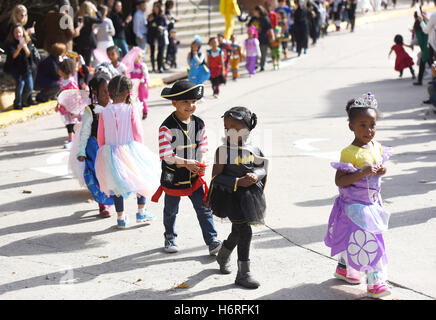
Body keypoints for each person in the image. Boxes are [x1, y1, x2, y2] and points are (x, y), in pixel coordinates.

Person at [324, 93, 392, 299]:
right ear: (351, 126)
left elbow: (379, 169)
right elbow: (340, 180)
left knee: (352, 238)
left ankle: (345, 268)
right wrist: (362, 172)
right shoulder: (349, 152)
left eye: (372, 125)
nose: (369, 130)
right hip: (355, 205)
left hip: (372, 202)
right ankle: (374, 280)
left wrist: (381, 171)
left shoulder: (376, 146)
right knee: (369, 240)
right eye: (362, 125)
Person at [151, 80, 222, 255]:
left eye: (193, 102)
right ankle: (170, 236)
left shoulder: (199, 124)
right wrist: (187, 163)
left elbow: (203, 147)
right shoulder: (166, 127)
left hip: (194, 176)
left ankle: (212, 241)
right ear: (174, 103)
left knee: (204, 209)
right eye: (185, 102)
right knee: (170, 210)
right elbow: (166, 156)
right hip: (173, 177)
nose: (190, 106)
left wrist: (201, 161)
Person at [208, 106, 268, 289]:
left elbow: (263, 167)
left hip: (249, 198)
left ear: (248, 129)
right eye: (226, 128)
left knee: (238, 231)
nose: (229, 132)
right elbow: (216, 177)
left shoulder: (254, 148)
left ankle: (224, 254)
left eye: (235, 128)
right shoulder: (223, 151)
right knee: (245, 231)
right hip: (230, 197)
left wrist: (256, 175)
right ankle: (244, 273)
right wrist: (237, 181)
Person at [95, 75, 159, 229]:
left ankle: (121, 218)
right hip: (131, 148)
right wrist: (140, 149)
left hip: (110, 151)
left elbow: (100, 136)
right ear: (127, 93)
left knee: (117, 184)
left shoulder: (104, 112)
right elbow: (138, 132)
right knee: (140, 177)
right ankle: (141, 212)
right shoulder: (131, 109)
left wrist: (104, 150)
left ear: (109, 92)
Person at [74, 74, 114, 218]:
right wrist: (81, 151)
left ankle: (111, 199)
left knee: (110, 174)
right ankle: (102, 205)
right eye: (104, 91)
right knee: (98, 176)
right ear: (95, 92)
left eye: (109, 90)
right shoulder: (90, 110)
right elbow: (84, 132)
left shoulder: (113, 107)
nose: (107, 94)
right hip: (94, 148)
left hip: (110, 147)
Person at [3, 24, 38, 110]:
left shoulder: (27, 41)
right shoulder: (10, 43)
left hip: (26, 67)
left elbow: (30, 55)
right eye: (16, 32)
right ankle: (17, 103)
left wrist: (25, 47)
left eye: (19, 32)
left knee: (30, 87)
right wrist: (19, 48)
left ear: (23, 32)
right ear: (12, 34)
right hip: (15, 68)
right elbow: (13, 56)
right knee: (20, 84)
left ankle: (24, 100)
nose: (18, 34)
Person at [55, 58, 81, 149]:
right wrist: (58, 103)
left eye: (59, 69)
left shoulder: (71, 82)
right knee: (68, 123)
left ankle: (72, 140)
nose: (58, 71)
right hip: (64, 106)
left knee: (71, 123)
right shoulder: (62, 81)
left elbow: (75, 94)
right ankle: (72, 138)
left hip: (70, 107)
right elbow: (61, 93)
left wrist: (73, 107)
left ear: (65, 70)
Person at [73, 1, 104, 66]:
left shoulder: (76, 17)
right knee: (87, 63)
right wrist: (96, 10)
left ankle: (80, 75)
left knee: (79, 62)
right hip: (89, 43)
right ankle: (86, 75)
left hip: (79, 43)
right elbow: (101, 20)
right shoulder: (88, 18)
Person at [248, 6, 272, 72]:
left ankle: (262, 65)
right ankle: (255, 64)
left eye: (255, 11)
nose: (253, 12)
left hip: (264, 38)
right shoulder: (253, 18)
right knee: (254, 52)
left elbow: (270, 28)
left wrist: (272, 37)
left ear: (258, 11)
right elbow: (249, 25)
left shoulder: (265, 18)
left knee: (263, 53)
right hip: (254, 39)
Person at [129, 48, 150, 119]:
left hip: (139, 84)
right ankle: (134, 112)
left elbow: (146, 75)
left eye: (136, 57)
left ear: (139, 57)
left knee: (141, 98)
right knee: (132, 97)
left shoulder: (142, 65)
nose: (134, 59)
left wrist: (145, 83)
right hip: (132, 84)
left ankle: (145, 111)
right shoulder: (130, 65)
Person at [148, 1, 168, 73]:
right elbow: (148, 26)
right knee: (152, 53)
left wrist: (162, 28)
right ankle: (153, 68)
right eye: (154, 7)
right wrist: (150, 22)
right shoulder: (151, 16)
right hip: (152, 36)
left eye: (157, 7)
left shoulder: (162, 16)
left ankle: (160, 67)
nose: (155, 8)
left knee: (160, 53)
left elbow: (166, 26)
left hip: (160, 37)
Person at [413, 11, 431, 86]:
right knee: (429, 64)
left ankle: (420, 80)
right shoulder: (426, 22)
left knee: (427, 64)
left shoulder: (418, 27)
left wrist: (423, 49)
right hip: (430, 46)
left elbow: (420, 40)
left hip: (425, 48)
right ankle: (421, 80)